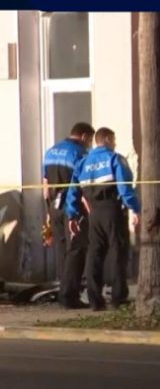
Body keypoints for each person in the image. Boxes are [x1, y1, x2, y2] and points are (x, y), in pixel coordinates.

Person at [66, 127, 140, 310]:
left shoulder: (82, 162)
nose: (114, 144)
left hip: (93, 213)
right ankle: (117, 298)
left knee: (95, 254)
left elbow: (72, 191)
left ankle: (94, 300)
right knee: (117, 251)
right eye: (113, 140)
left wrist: (72, 215)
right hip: (112, 209)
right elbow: (124, 188)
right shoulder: (114, 158)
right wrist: (135, 209)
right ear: (106, 139)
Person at [42, 121, 94, 307]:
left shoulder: (50, 151)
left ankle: (63, 290)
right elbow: (81, 183)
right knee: (77, 248)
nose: (90, 145)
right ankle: (70, 295)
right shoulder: (79, 153)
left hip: (54, 205)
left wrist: (48, 211)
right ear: (84, 136)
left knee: (62, 248)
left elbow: (45, 185)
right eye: (90, 141)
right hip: (72, 205)